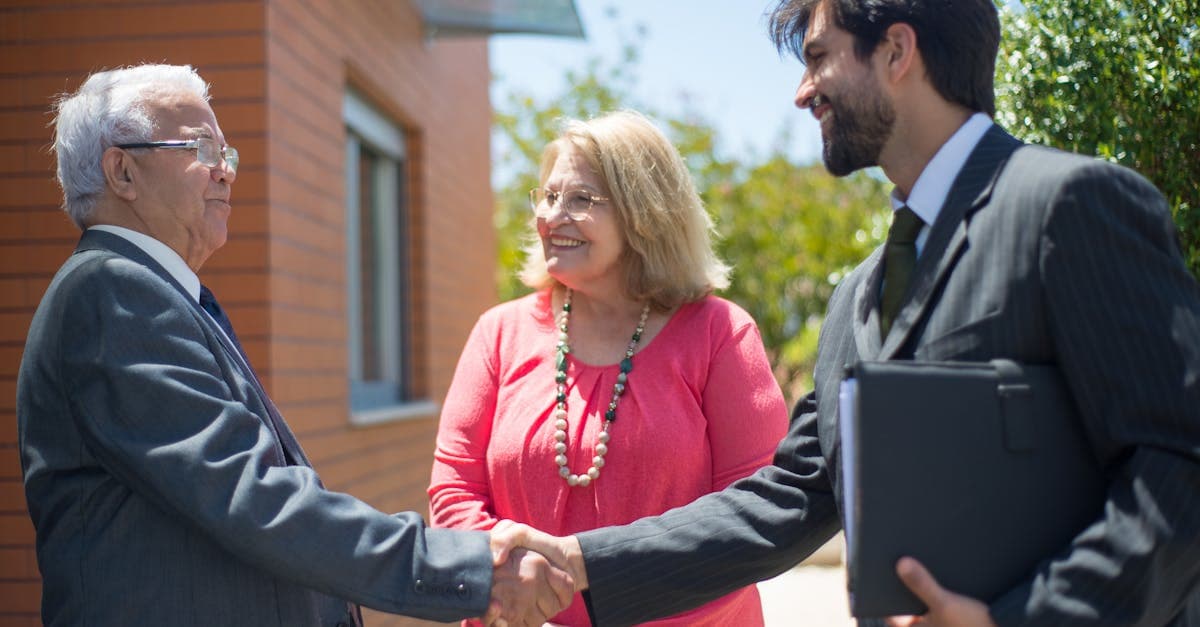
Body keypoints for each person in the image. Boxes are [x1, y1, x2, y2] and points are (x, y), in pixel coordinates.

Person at [490, 1, 1200, 625]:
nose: (803, 93)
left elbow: (1179, 464)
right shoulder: (855, 297)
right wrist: (580, 558)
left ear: (897, 50)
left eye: (820, 59)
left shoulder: (1072, 208)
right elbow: (787, 498)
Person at [16, 63, 572, 627]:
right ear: (123, 172)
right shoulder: (111, 293)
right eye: (201, 148)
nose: (225, 172)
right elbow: (251, 497)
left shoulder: (154, 293)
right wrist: (468, 568)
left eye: (227, 155)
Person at [429, 110, 789, 626]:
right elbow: (453, 491)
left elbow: (754, 518)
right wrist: (509, 589)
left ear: (643, 213)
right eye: (549, 197)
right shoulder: (498, 332)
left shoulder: (719, 334)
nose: (552, 216)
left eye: (580, 199)